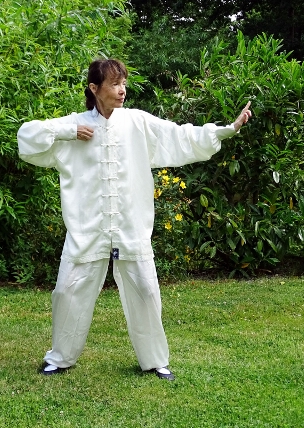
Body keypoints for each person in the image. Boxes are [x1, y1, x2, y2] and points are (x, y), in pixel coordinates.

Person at [17, 58, 251, 380]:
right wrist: (68, 132)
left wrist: (227, 129)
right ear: (94, 88)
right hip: (86, 232)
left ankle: (155, 361)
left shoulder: (137, 123)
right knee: (67, 292)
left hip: (130, 228)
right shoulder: (74, 127)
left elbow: (180, 137)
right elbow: (27, 138)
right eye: (114, 84)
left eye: (123, 83)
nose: (122, 90)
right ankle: (60, 357)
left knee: (146, 292)